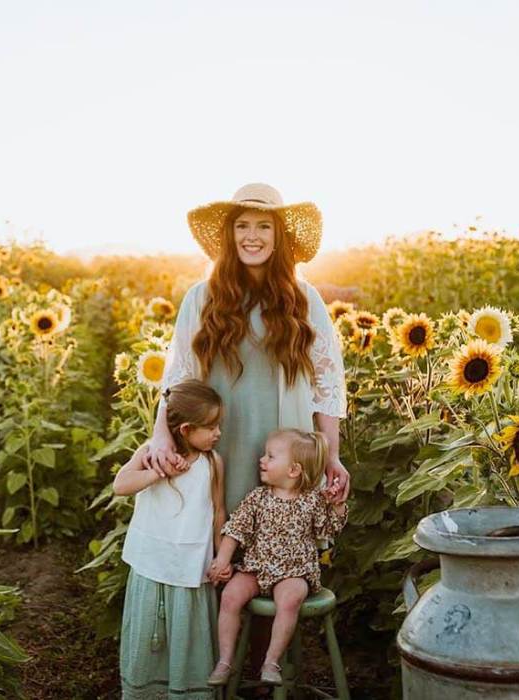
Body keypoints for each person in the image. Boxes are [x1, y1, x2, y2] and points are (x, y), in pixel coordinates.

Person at [142, 182, 351, 685]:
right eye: (242, 226)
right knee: (222, 543)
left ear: (279, 238)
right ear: (229, 235)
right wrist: (161, 437)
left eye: (263, 227)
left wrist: (331, 457)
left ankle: (268, 670)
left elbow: (327, 381)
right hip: (222, 440)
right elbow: (179, 375)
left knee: (280, 542)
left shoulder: (303, 299)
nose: (252, 236)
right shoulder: (204, 296)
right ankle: (215, 668)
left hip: (283, 444)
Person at [207, 428, 348, 686]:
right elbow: (236, 529)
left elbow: (328, 530)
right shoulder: (258, 497)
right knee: (230, 596)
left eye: (270, 456)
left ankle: (271, 661)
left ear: (293, 470)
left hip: (294, 571)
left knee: (290, 599)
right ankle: (224, 661)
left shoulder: (312, 501)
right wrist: (223, 559)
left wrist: (336, 506)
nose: (262, 460)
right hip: (256, 568)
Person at [115, 379, 227, 700]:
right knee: (150, 633)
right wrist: (158, 473)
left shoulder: (212, 463)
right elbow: (120, 485)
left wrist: (221, 557)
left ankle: (186, 691)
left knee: (187, 633)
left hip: (191, 568)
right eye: (212, 427)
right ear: (187, 429)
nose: (218, 433)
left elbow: (218, 512)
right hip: (151, 562)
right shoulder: (151, 453)